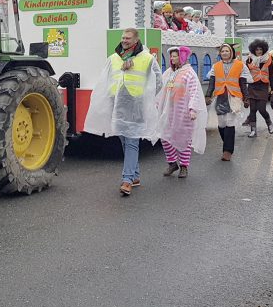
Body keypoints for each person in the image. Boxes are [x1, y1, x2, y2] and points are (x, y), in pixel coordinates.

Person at [83, 28, 163, 196]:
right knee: (124, 140)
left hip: (136, 106)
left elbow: (158, 80)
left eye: (128, 38)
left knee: (132, 141)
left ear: (136, 40)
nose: (124, 40)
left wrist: (146, 98)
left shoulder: (147, 58)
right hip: (117, 105)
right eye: (123, 37)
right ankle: (135, 176)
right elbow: (104, 81)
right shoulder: (113, 58)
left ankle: (127, 180)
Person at [156, 46, 207, 178]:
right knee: (164, 136)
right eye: (171, 56)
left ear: (182, 57)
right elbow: (161, 89)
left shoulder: (189, 73)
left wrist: (192, 109)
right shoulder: (169, 73)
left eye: (175, 56)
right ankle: (172, 162)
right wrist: (156, 103)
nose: (172, 59)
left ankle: (184, 166)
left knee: (184, 139)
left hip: (183, 112)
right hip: (168, 112)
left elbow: (194, 91)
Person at [205, 43, 251, 161]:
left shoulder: (240, 65)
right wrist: (208, 95)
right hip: (220, 97)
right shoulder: (216, 66)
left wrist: (246, 98)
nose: (225, 53)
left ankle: (227, 151)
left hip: (234, 97)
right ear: (220, 53)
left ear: (231, 53)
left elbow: (243, 83)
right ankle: (227, 142)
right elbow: (211, 82)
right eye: (222, 51)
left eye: (227, 51)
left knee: (230, 122)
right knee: (221, 124)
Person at [245, 39, 273, 138]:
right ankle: (253, 130)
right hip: (252, 86)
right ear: (253, 50)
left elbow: (271, 74)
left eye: (261, 49)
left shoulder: (268, 59)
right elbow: (245, 73)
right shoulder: (249, 60)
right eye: (257, 49)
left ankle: (269, 123)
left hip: (263, 86)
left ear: (264, 50)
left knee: (262, 108)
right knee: (253, 110)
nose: (259, 51)